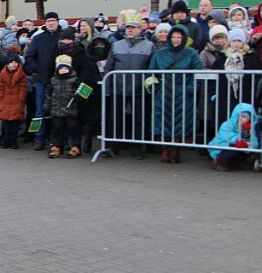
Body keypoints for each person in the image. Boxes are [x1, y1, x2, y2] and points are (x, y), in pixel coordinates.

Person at [147, 24, 202, 163]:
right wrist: (154, 86)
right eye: (173, 37)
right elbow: (151, 71)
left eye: (179, 37)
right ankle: (165, 151)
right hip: (163, 91)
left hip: (182, 91)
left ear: (184, 38)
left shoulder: (191, 53)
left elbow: (198, 73)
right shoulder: (160, 54)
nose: (176, 39)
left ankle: (176, 151)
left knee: (180, 122)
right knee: (163, 121)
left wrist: (190, 88)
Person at [103, 10, 155, 159]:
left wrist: (148, 85)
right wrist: (108, 88)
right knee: (115, 118)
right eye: (127, 27)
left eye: (133, 27)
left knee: (139, 118)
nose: (130, 30)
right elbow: (109, 67)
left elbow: (151, 68)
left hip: (139, 89)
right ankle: (113, 146)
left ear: (140, 29)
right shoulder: (117, 45)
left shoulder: (149, 46)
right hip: (118, 88)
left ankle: (136, 146)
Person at [23, 12, 61, 150]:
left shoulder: (62, 37)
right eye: (49, 20)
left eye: (53, 20)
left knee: (58, 111)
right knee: (40, 111)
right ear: (45, 23)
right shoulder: (38, 38)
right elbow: (29, 57)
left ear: (58, 22)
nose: (51, 23)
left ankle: (57, 139)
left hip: (60, 81)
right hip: (42, 79)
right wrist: (37, 69)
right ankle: (39, 138)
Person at [45, 55, 81, 158]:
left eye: (66, 68)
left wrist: (79, 98)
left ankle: (75, 147)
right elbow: (48, 94)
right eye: (61, 68)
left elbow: (82, 92)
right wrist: (47, 106)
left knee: (73, 128)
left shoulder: (75, 80)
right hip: (56, 109)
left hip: (71, 109)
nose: (63, 70)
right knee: (57, 128)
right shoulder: (53, 80)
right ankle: (56, 147)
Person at [208, 103, 259, 171]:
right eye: (240, 115)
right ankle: (219, 161)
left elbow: (255, 141)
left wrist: (247, 142)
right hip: (221, 148)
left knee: (248, 149)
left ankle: (242, 162)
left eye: (244, 117)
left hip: (240, 147)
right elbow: (229, 137)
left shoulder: (250, 128)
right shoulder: (227, 124)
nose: (241, 118)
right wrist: (241, 140)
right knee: (235, 145)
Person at [0, 51, 28, 149]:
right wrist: (0, 98)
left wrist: (21, 99)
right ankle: (6, 140)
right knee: (6, 122)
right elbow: (0, 87)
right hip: (5, 100)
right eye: (12, 62)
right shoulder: (3, 73)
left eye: (16, 62)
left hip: (16, 100)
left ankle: (14, 140)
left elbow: (23, 88)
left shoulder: (21, 74)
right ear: (8, 63)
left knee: (15, 123)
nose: (14, 64)